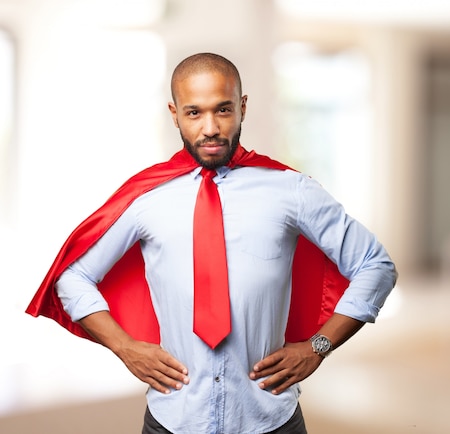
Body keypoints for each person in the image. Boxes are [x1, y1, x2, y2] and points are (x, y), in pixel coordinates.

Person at [26, 53, 397, 434]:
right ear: (175, 114)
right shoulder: (146, 198)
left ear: (243, 106)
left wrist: (318, 346)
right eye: (194, 113)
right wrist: (125, 347)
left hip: (270, 421)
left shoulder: (291, 190)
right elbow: (72, 276)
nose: (210, 128)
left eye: (222, 110)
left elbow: (375, 265)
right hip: (173, 420)